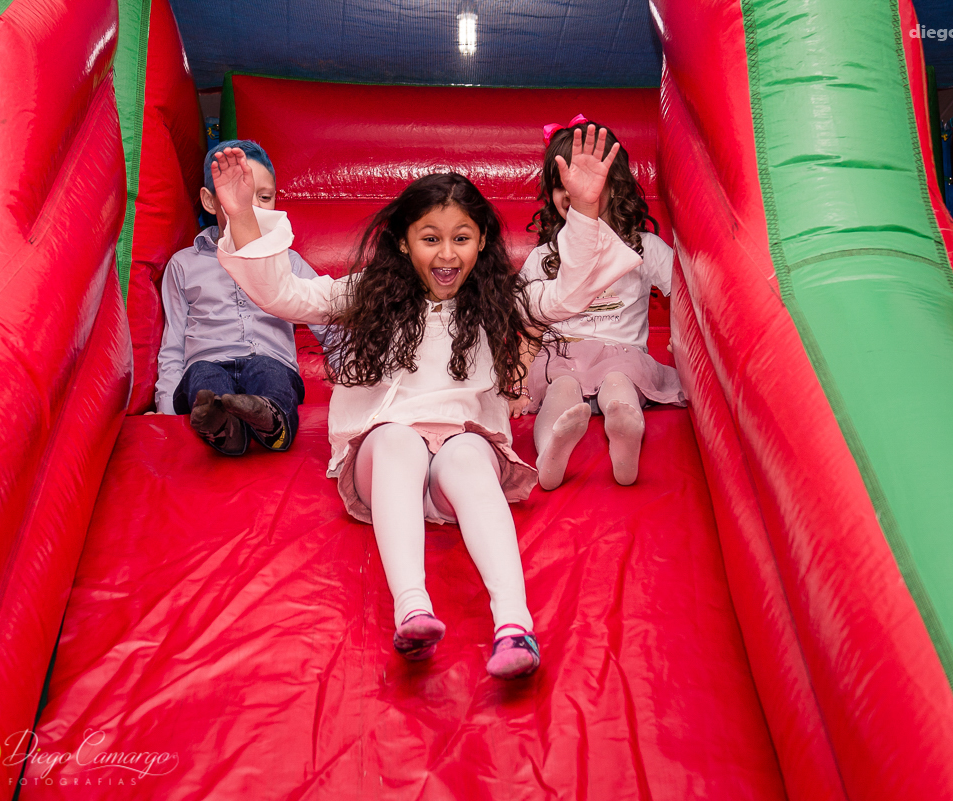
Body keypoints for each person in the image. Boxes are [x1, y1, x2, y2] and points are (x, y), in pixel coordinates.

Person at [210, 127, 640, 679]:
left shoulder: (497, 302)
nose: (446, 252)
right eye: (430, 238)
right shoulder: (369, 294)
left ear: (483, 242)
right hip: (387, 456)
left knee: (463, 451)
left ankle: (514, 624)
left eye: (461, 237)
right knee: (396, 438)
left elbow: (567, 294)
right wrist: (244, 216)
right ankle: (412, 607)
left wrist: (584, 206)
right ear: (404, 243)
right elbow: (287, 296)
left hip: (458, 460)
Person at [518, 116, 685, 490]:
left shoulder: (642, 247)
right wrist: (517, 374)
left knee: (619, 382)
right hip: (562, 354)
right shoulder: (546, 255)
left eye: (580, 182)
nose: (570, 194)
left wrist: (684, 336)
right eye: (559, 185)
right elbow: (526, 317)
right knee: (560, 391)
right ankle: (550, 451)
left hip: (622, 354)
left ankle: (625, 433)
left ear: (615, 185)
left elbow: (685, 292)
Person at [154, 139, 333, 455]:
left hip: (269, 362)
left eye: (264, 197)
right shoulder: (184, 264)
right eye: (236, 194)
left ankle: (270, 420)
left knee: (272, 372)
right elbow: (173, 347)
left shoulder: (288, 262)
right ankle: (223, 427)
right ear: (210, 202)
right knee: (202, 375)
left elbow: (330, 324)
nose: (252, 208)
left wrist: (367, 385)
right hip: (207, 365)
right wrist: (167, 412)